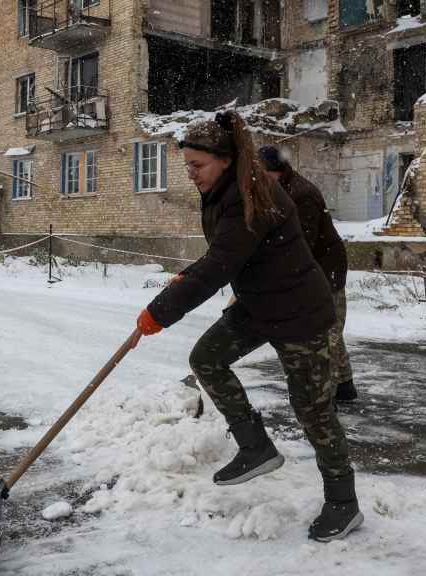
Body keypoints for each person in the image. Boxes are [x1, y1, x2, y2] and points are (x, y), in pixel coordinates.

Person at [134, 111, 363, 542]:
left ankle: (343, 502)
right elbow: (226, 253)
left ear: (223, 159)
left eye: (196, 165)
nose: (191, 174)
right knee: (207, 358)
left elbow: (221, 263)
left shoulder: (250, 194)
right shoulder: (224, 190)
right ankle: (255, 444)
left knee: (313, 411)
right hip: (259, 306)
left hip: (300, 313)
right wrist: (187, 276)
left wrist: (160, 311)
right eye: (186, 166)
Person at [259, 146, 358, 404]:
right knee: (331, 330)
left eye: (262, 175)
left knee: (327, 335)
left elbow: (301, 244)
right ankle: (345, 385)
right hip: (313, 267)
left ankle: (327, 399)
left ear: (276, 172)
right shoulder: (280, 189)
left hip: (326, 270)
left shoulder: (301, 194)